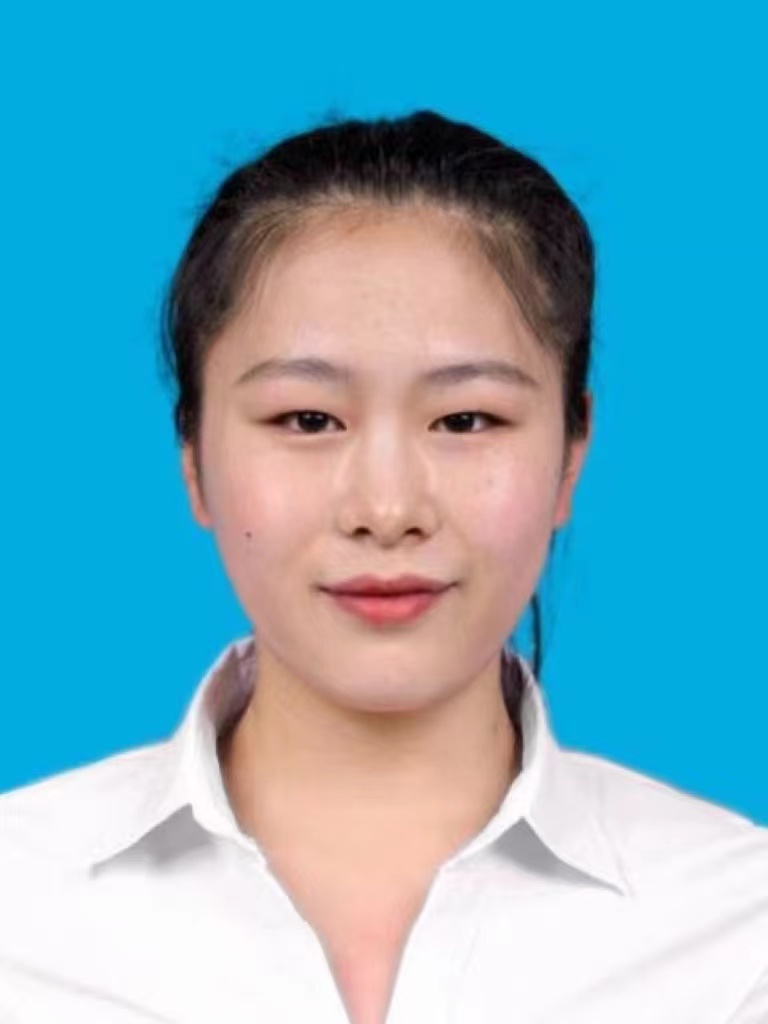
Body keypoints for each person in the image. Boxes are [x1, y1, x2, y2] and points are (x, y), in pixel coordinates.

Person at [1, 110, 766, 1024]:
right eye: (307, 420)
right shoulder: (20, 909)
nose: (388, 509)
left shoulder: (737, 929)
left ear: (571, 454)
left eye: (467, 420)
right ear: (194, 459)